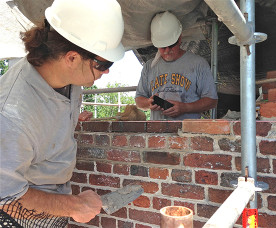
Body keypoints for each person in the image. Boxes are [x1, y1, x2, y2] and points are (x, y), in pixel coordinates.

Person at [0, 0, 124, 226]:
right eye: (103, 64)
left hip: (55, 204)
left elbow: (45, 126)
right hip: (19, 219)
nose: (105, 72)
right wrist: (75, 206)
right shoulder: (11, 115)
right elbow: (4, 198)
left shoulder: (71, 79)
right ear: (72, 58)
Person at [135, 11, 218, 120]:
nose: (167, 50)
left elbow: (212, 101)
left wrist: (185, 108)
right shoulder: (149, 66)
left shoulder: (198, 64)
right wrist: (148, 102)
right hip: (157, 133)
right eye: (162, 47)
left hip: (187, 133)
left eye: (171, 45)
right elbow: (139, 100)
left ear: (179, 39)